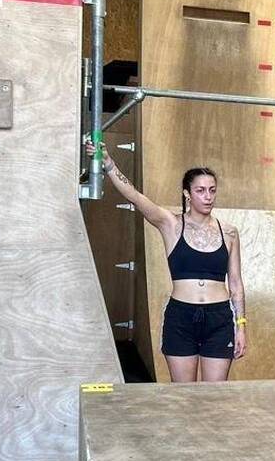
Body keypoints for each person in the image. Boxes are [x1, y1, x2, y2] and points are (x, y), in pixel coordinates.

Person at [90, 141, 247, 382]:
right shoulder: (171, 224)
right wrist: (109, 164)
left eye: (212, 190)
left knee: (215, 395)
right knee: (182, 395)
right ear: (187, 194)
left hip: (219, 318)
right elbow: (135, 197)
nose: (208, 197)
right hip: (181, 317)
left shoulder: (229, 232)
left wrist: (241, 326)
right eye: (200, 190)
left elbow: (235, 284)